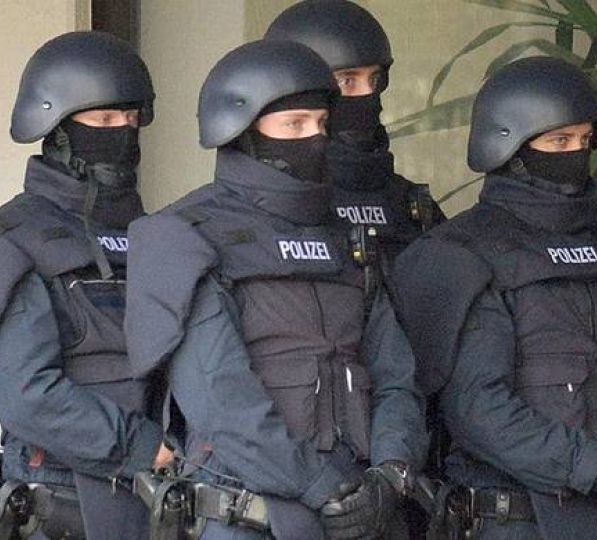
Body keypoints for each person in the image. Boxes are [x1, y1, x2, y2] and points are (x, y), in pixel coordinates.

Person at [125, 39, 427, 540]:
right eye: (294, 125)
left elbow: (395, 375)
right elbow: (221, 399)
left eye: (321, 124)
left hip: (363, 511)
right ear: (243, 130)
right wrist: (322, 486)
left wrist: (390, 475)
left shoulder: (346, 237)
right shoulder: (184, 235)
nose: (314, 139)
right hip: (245, 513)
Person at [391, 56, 597, 539]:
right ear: (508, 146)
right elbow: (478, 408)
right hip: (522, 520)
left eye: (584, 140)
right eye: (559, 141)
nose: (575, 154)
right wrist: (596, 470)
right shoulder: (468, 252)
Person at [0, 31, 171, 540]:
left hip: (161, 496)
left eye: (131, 119)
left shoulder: (157, 236)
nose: (124, 133)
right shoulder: (4, 241)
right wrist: (146, 447)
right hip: (65, 500)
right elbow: (28, 395)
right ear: (57, 128)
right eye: (105, 121)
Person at [264, 0, 445, 268]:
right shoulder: (265, 202)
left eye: (374, 80)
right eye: (347, 81)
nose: (368, 94)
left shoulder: (409, 204)